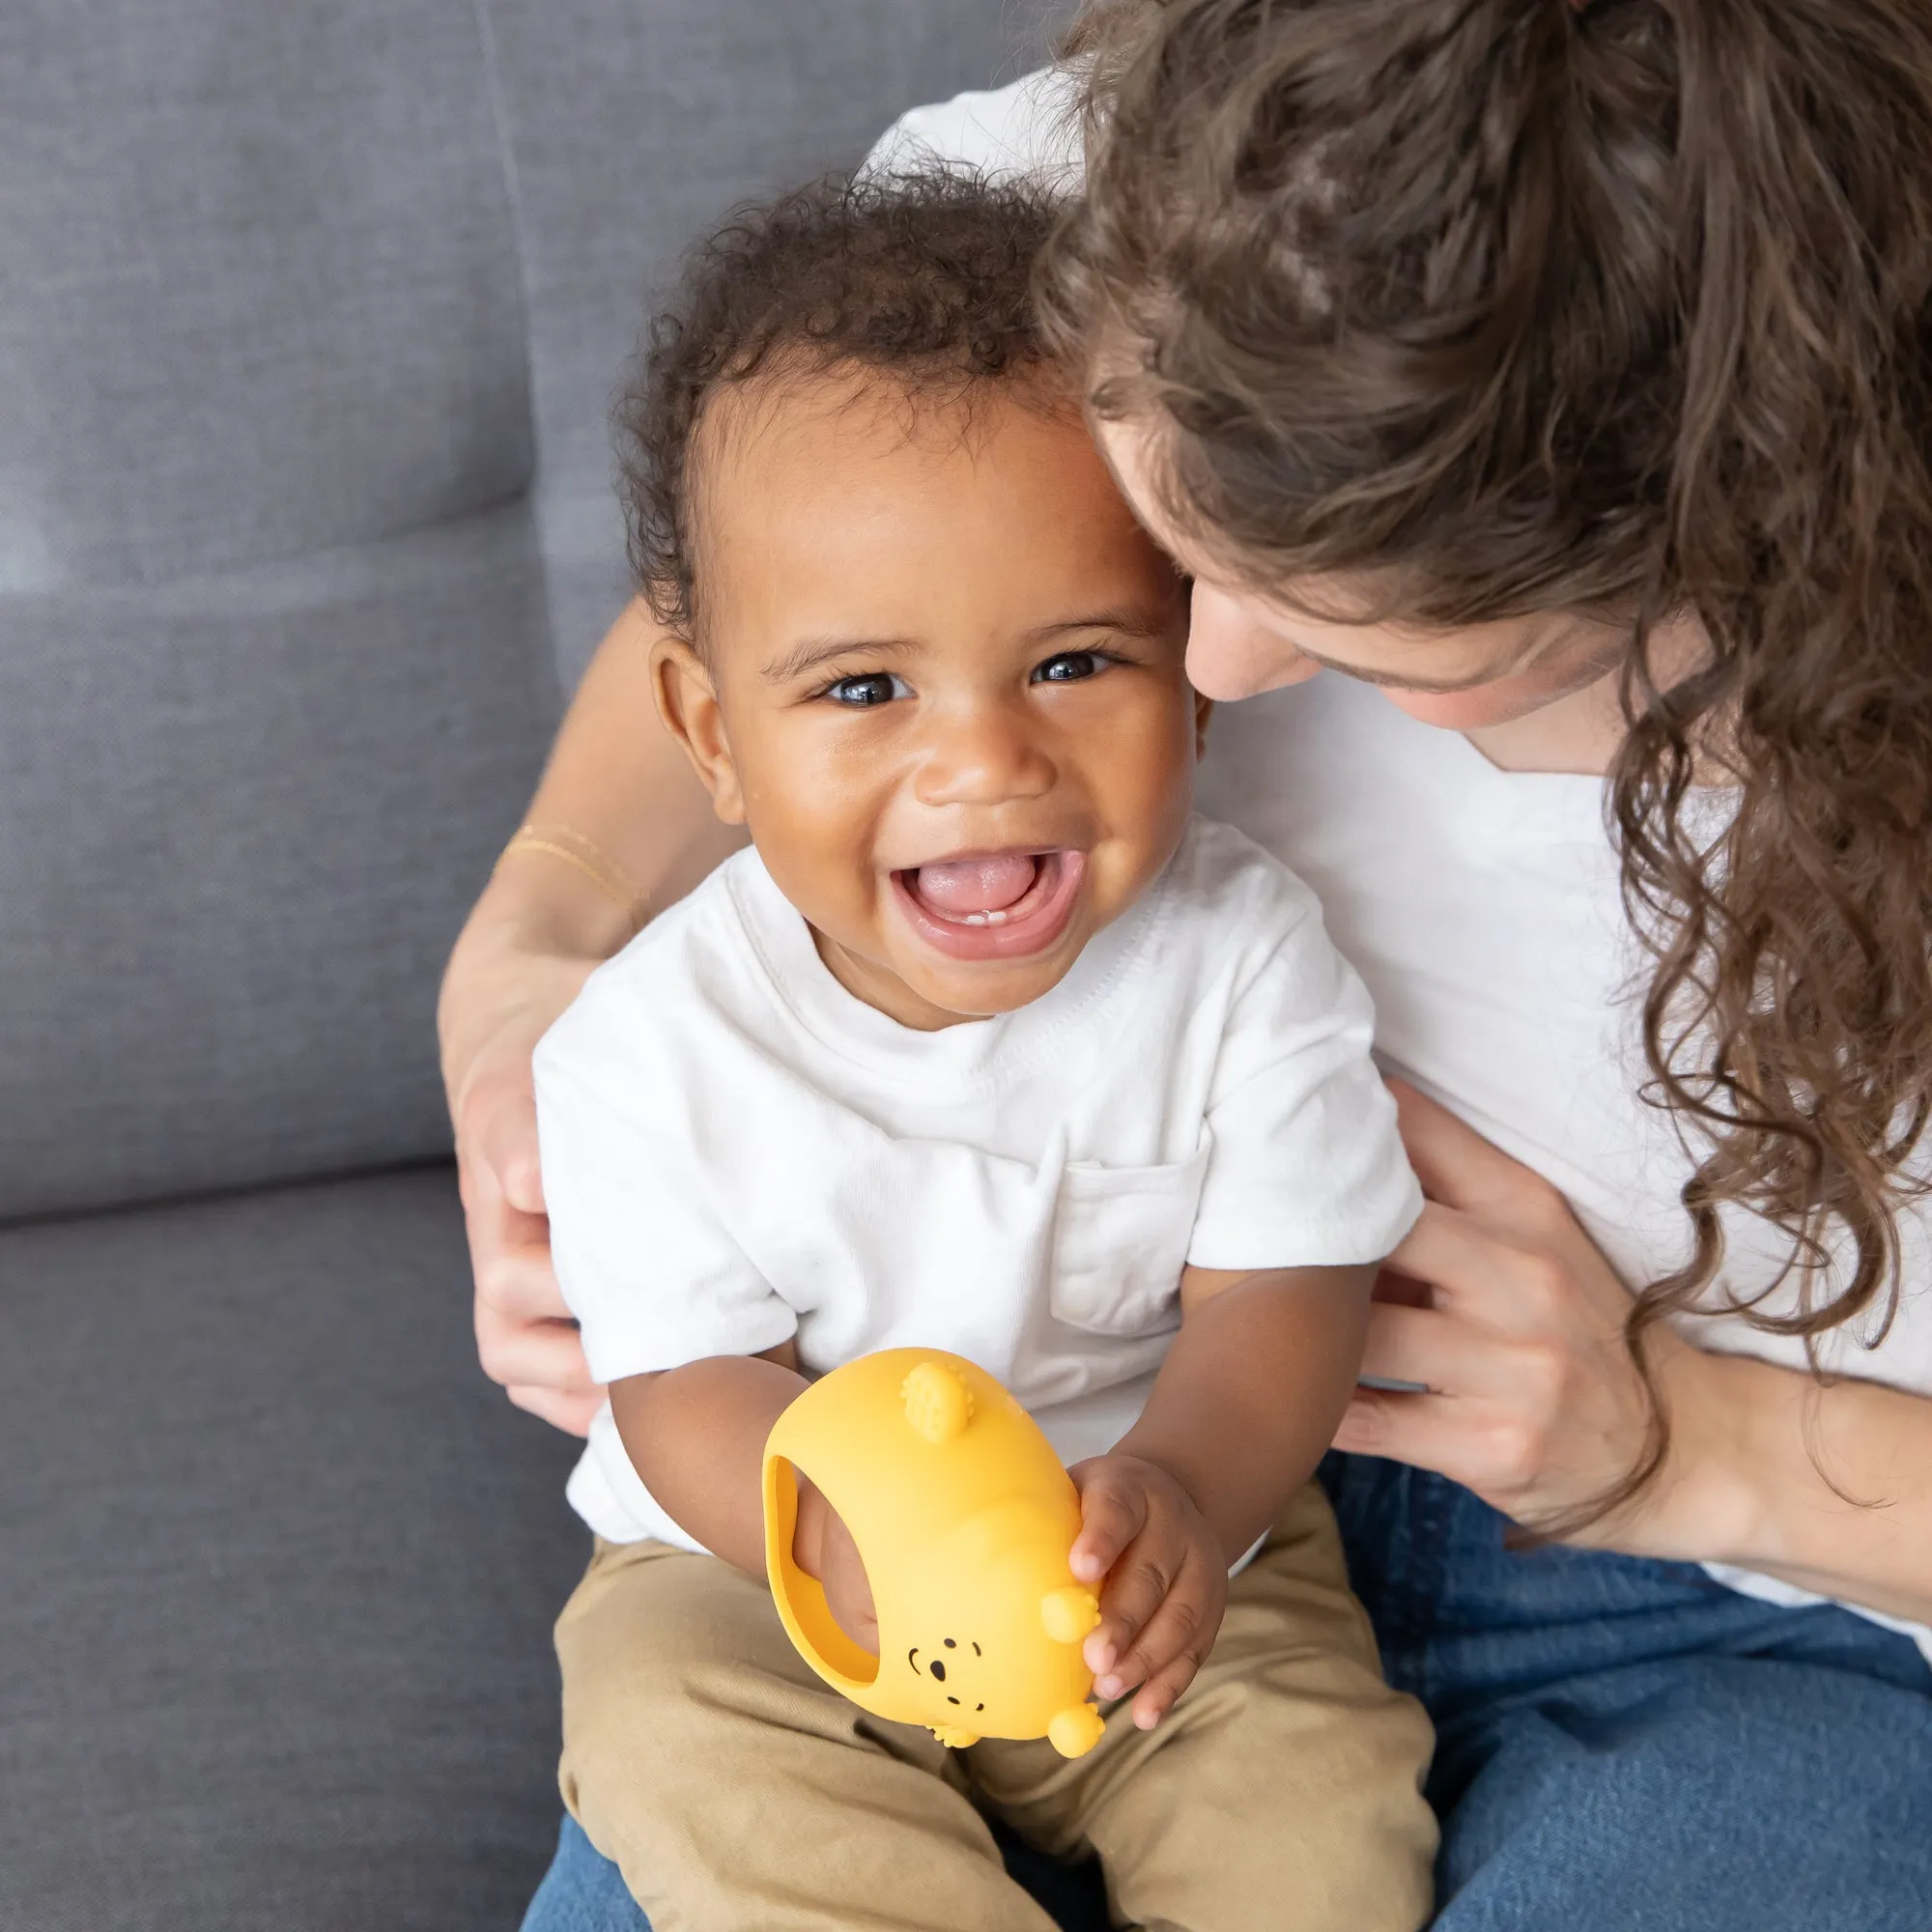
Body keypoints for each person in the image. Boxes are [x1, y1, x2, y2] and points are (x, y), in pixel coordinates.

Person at [440, 3, 1932, 1926]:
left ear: (1772, 561)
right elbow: (787, 549)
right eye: (1168, 523)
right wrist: (541, 924)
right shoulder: (1253, 171)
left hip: (1715, 1615)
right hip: (978, 1487)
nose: (1203, 667)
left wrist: (1708, 1447)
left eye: (1408, 639)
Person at [529, 166, 1436, 1932]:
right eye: (867, 691)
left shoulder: (1245, 961)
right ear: (713, 736)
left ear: (1195, 663)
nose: (983, 765)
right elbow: (684, 1385)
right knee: (672, 1729)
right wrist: (847, 1551)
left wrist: (1183, 1486)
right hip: (778, 1579)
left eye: (1078, 662)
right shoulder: (644, 1044)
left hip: (1157, 1555)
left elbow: (1284, 1297)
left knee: (1320, 1809)